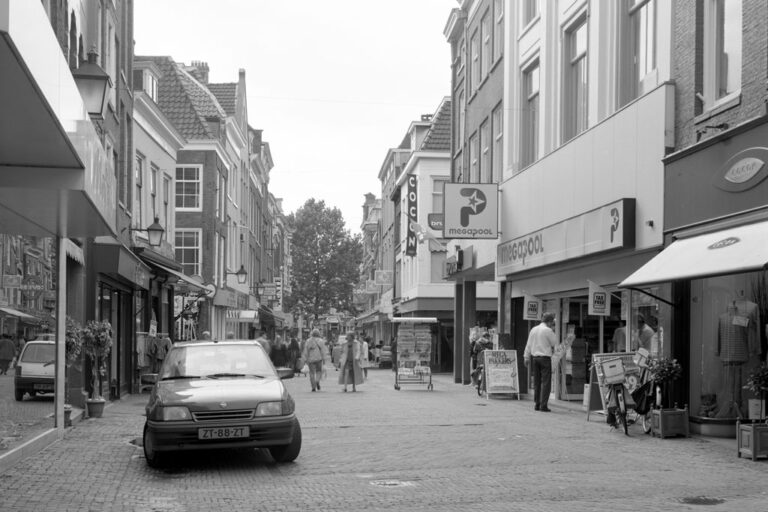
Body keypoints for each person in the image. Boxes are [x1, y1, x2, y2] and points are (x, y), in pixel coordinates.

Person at [523, 312, 559, 412]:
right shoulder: (548, 330)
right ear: (549, 321)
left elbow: (528, 344)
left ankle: (537, 404)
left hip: (535, 358)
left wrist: (526, 357)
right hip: (545, 359)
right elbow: (554, 342)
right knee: (546, 382)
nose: (552, 324)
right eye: (552, 322)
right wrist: (553, 331)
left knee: (537, 382)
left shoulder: (533, 329)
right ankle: (543, 405)